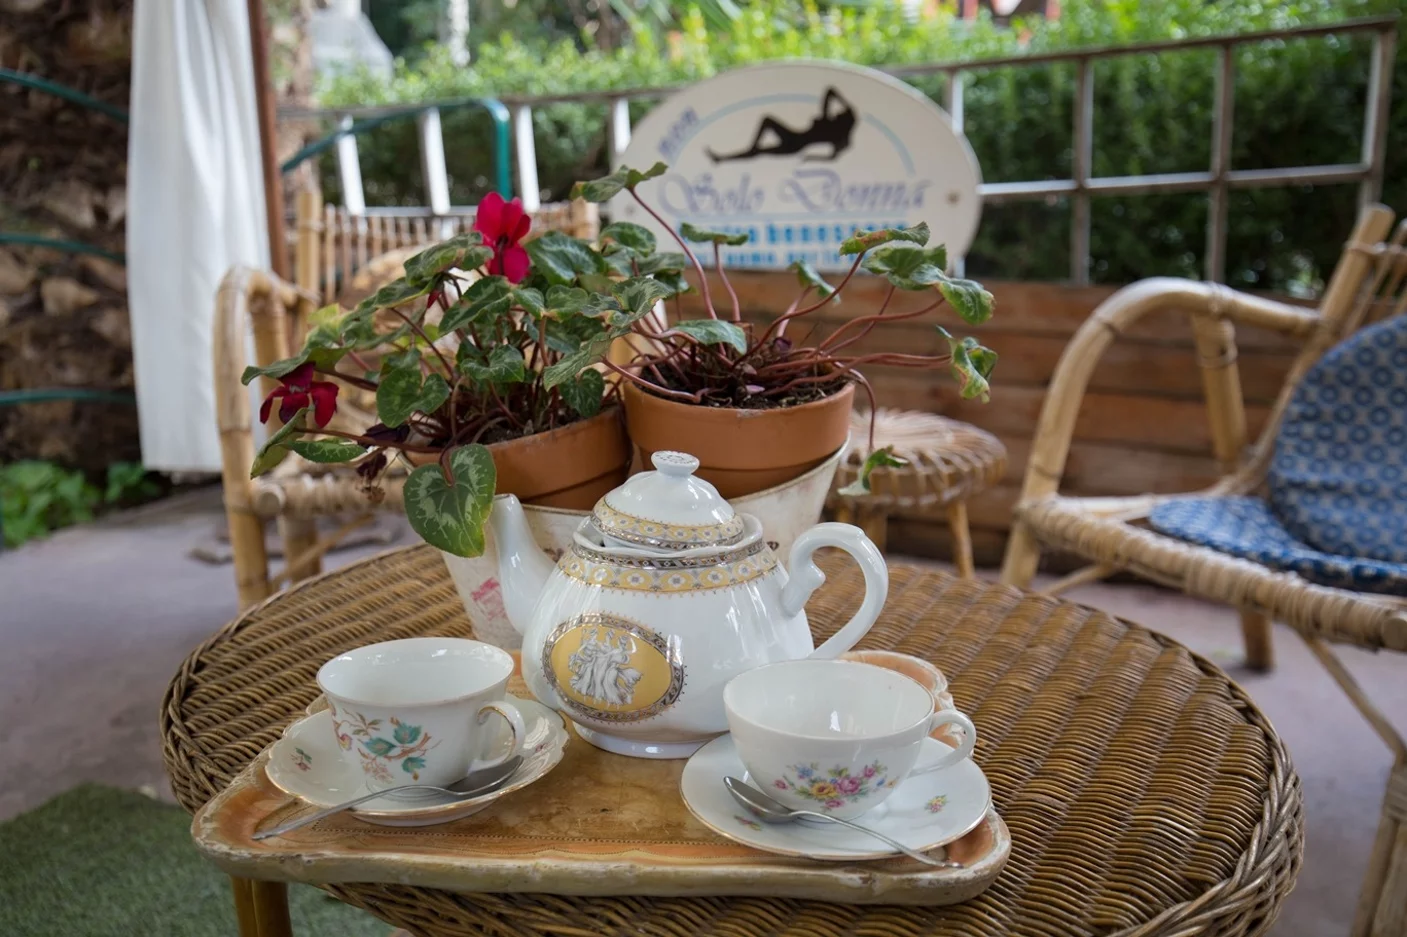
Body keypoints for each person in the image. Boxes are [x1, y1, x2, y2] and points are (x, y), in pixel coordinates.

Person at [707, 87, 857, 164]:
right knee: (767, 123)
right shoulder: (830, 123)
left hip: (794, 146)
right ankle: (730, 156)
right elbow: (830, 91)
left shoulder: (839, 135)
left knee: (759, 150)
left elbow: (832, 158)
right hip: (794, 137)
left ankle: (724, 158)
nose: (838, 112)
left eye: (841, 114)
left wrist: (810, 158)